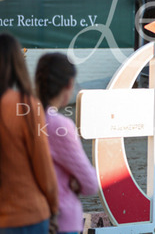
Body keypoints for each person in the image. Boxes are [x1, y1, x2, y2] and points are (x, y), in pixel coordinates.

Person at [0, 33, 58, 233]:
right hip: (27, 214)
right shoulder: (25, 105)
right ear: (17, 64)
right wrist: (54, 208)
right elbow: (43, 166)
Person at [35, 53, 98, 234]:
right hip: (60, 220)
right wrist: (73, 182)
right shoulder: (59, 125)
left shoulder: (22, 120)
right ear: (69, 85)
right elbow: (90, 183)